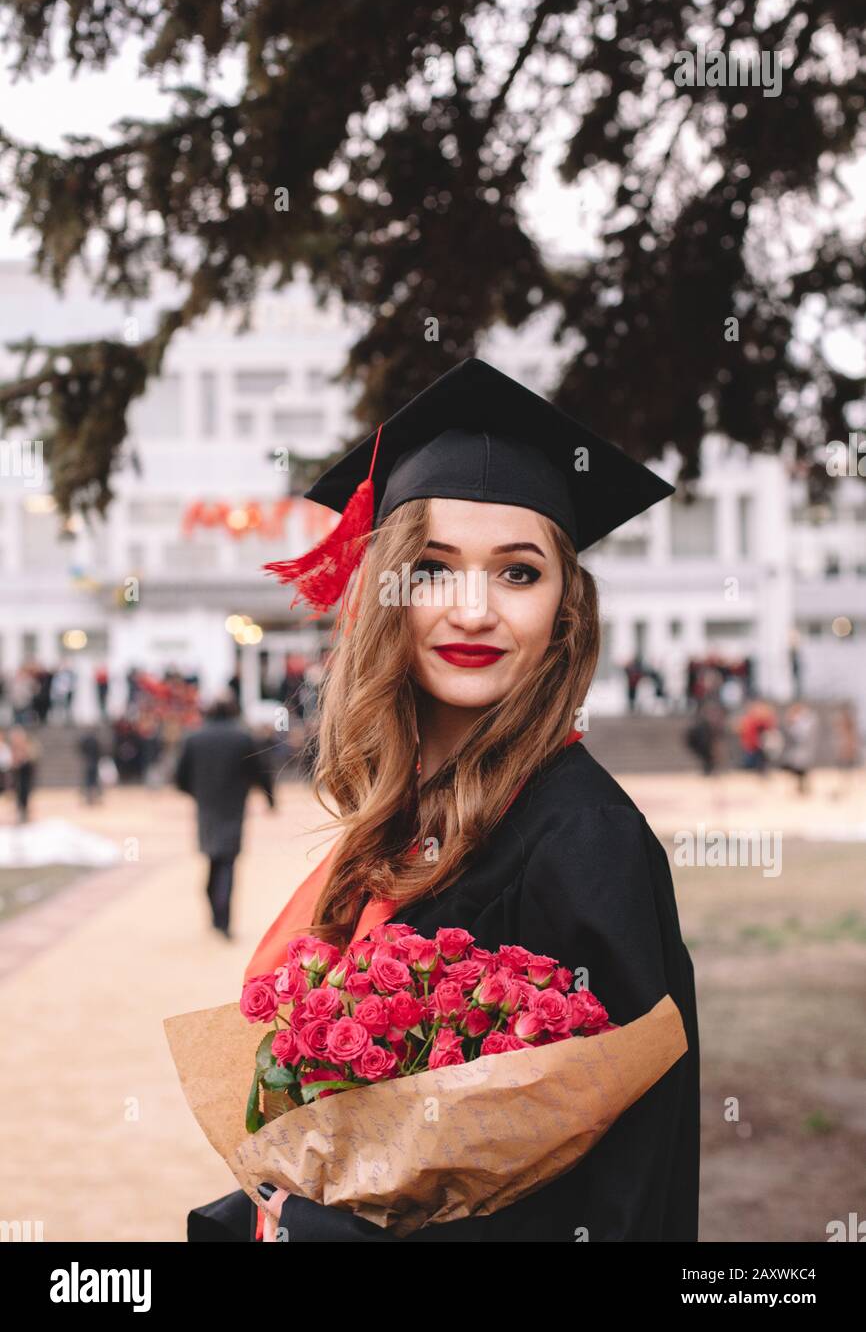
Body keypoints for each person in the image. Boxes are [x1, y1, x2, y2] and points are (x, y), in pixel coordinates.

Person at [186, 357, 700, 1244]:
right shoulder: (407, 818)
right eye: (432, 568)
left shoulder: (584, 837)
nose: (473, 609)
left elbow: (618, 1195)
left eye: (518, 573)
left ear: (565, 612)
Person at [174, 694, 276, 939]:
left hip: (207, 807)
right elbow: (261, 771)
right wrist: (269, 798)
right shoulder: (242, 738)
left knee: (212, 861)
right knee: (227, 863)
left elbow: (179, 778)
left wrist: (198, 793)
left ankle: (215, 915)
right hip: (233, 807)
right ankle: (224, 921)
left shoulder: (194, 738)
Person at [8, 725, 39, 823]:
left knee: (25, 791)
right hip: (18, 773)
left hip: (26, 772)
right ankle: (20, 809)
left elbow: (33, 757)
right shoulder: (13, 748)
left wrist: (24, 759)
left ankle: (24, 810)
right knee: (18, 791)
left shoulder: (29, 745)